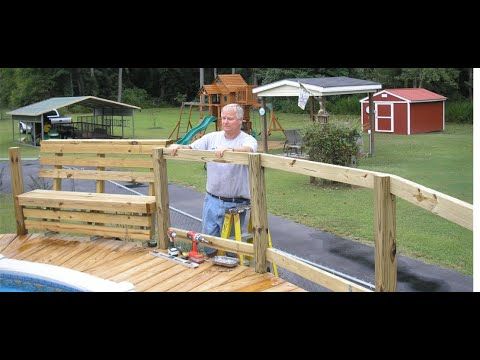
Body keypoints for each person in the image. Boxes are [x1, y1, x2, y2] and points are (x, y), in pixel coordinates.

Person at [168, 103, 258, 240]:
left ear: (240, 120)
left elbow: (250, 149)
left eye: (230, 118)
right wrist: (179, 146)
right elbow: (192, 148)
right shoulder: (212, 137)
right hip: (212, 200)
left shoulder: (247, 140)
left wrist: (231, 150)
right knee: (207, 242)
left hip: (236, 203)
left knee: (230, 246)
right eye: (223, 118)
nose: (225, 122)